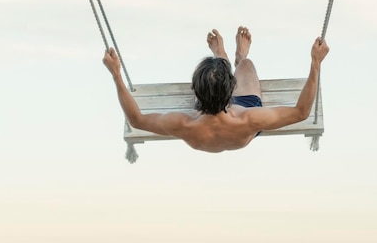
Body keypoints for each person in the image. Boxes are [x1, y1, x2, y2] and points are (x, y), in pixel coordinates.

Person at [103, 26, 329, 153]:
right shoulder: (251, 119)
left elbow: (136, 120)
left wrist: (116, 74)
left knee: (214, 77)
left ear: (194, 90)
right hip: (240, 124)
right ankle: (238, 59)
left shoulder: (182, 123)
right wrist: (315, 63)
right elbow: (301, 112)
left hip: (201, 124)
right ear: (233, 89)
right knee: (247, 66)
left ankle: (220, 58)